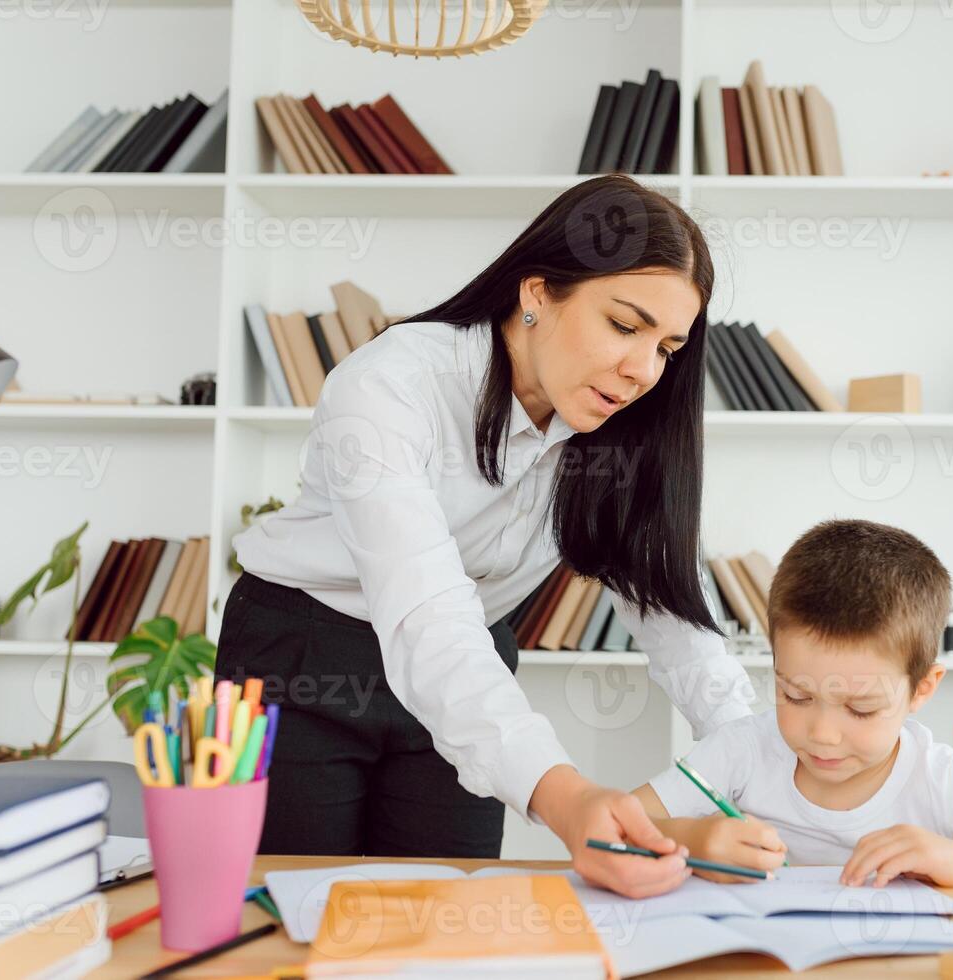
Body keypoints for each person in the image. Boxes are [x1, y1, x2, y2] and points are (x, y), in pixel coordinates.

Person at [217, 175, 753, 899]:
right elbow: (425, 611)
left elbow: (673, 620)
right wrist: (568, 803)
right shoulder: (391, 384)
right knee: (292, 916)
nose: (642, 371)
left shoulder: (619, 434)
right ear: (537, 292)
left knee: (450, 914)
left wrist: (768, 760)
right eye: (625, 326)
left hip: (470, 660)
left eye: (667, 347)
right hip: (304, 652)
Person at [633, 519, 953, 886]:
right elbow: (618, 823)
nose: (823, 736)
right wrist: (693, 839)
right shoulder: (742, 750)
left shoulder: (938, 780)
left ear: (922, 688)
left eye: (860, 709)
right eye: (796, 696)